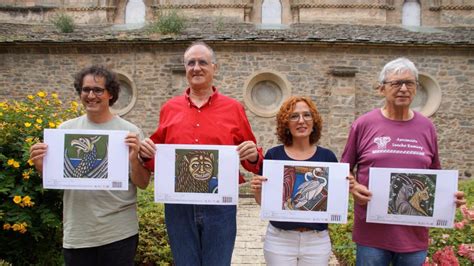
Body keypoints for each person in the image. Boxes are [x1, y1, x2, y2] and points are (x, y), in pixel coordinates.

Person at [139, 41, 263, 265]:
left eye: (202, 62)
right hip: (179, 206)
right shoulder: (169, 108)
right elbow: (159, 156)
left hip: (220, 205)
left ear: (214, 68)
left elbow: (251, 159)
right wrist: (146, 154)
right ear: (185, 69)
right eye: (191, 63)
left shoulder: (234, 108)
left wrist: (253, 155)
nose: (196, 67)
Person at [340, 57, 466, 266]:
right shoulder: (363, 124)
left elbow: (435, 175)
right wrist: (354, 187)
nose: (404, 88)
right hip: (371, 234)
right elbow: (344, 170)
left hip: (414, 237)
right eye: (396, 83)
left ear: (416, 88)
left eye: (410, 83)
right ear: (382, 89)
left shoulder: (427, 127)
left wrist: (450, 197)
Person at [29, 65, 151, 266]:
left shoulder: (130, 131)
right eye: (85, 90)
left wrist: (133, 159)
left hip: (119, 232)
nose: (91, 95)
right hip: (78, 232)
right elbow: (56, 180)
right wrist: (41, 165)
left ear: (110, 94)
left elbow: (143, 183)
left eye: (98, 90)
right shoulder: (65, 131)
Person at [251, 96, 337, 266]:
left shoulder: (327, 157)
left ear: (314, 122)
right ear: (286, 124)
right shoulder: (274, 156)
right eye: (294, 116)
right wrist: (258, 190)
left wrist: (345, 187)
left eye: (307, 115)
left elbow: (333, 201)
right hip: (280, 239)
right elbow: (265, 203)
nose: (301, 121)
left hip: (317, 240)